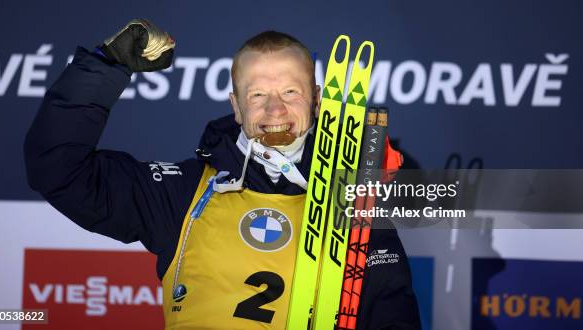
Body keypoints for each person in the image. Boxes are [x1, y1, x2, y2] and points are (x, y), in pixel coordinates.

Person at [24, 20, 421, 329]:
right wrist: (106, 66)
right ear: (236, 106)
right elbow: (58, 169)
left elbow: (391, 311)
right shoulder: (183, 190)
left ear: (317, 100)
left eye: (290, 93)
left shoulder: (358, 200)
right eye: (257, 95)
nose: (274, 111)